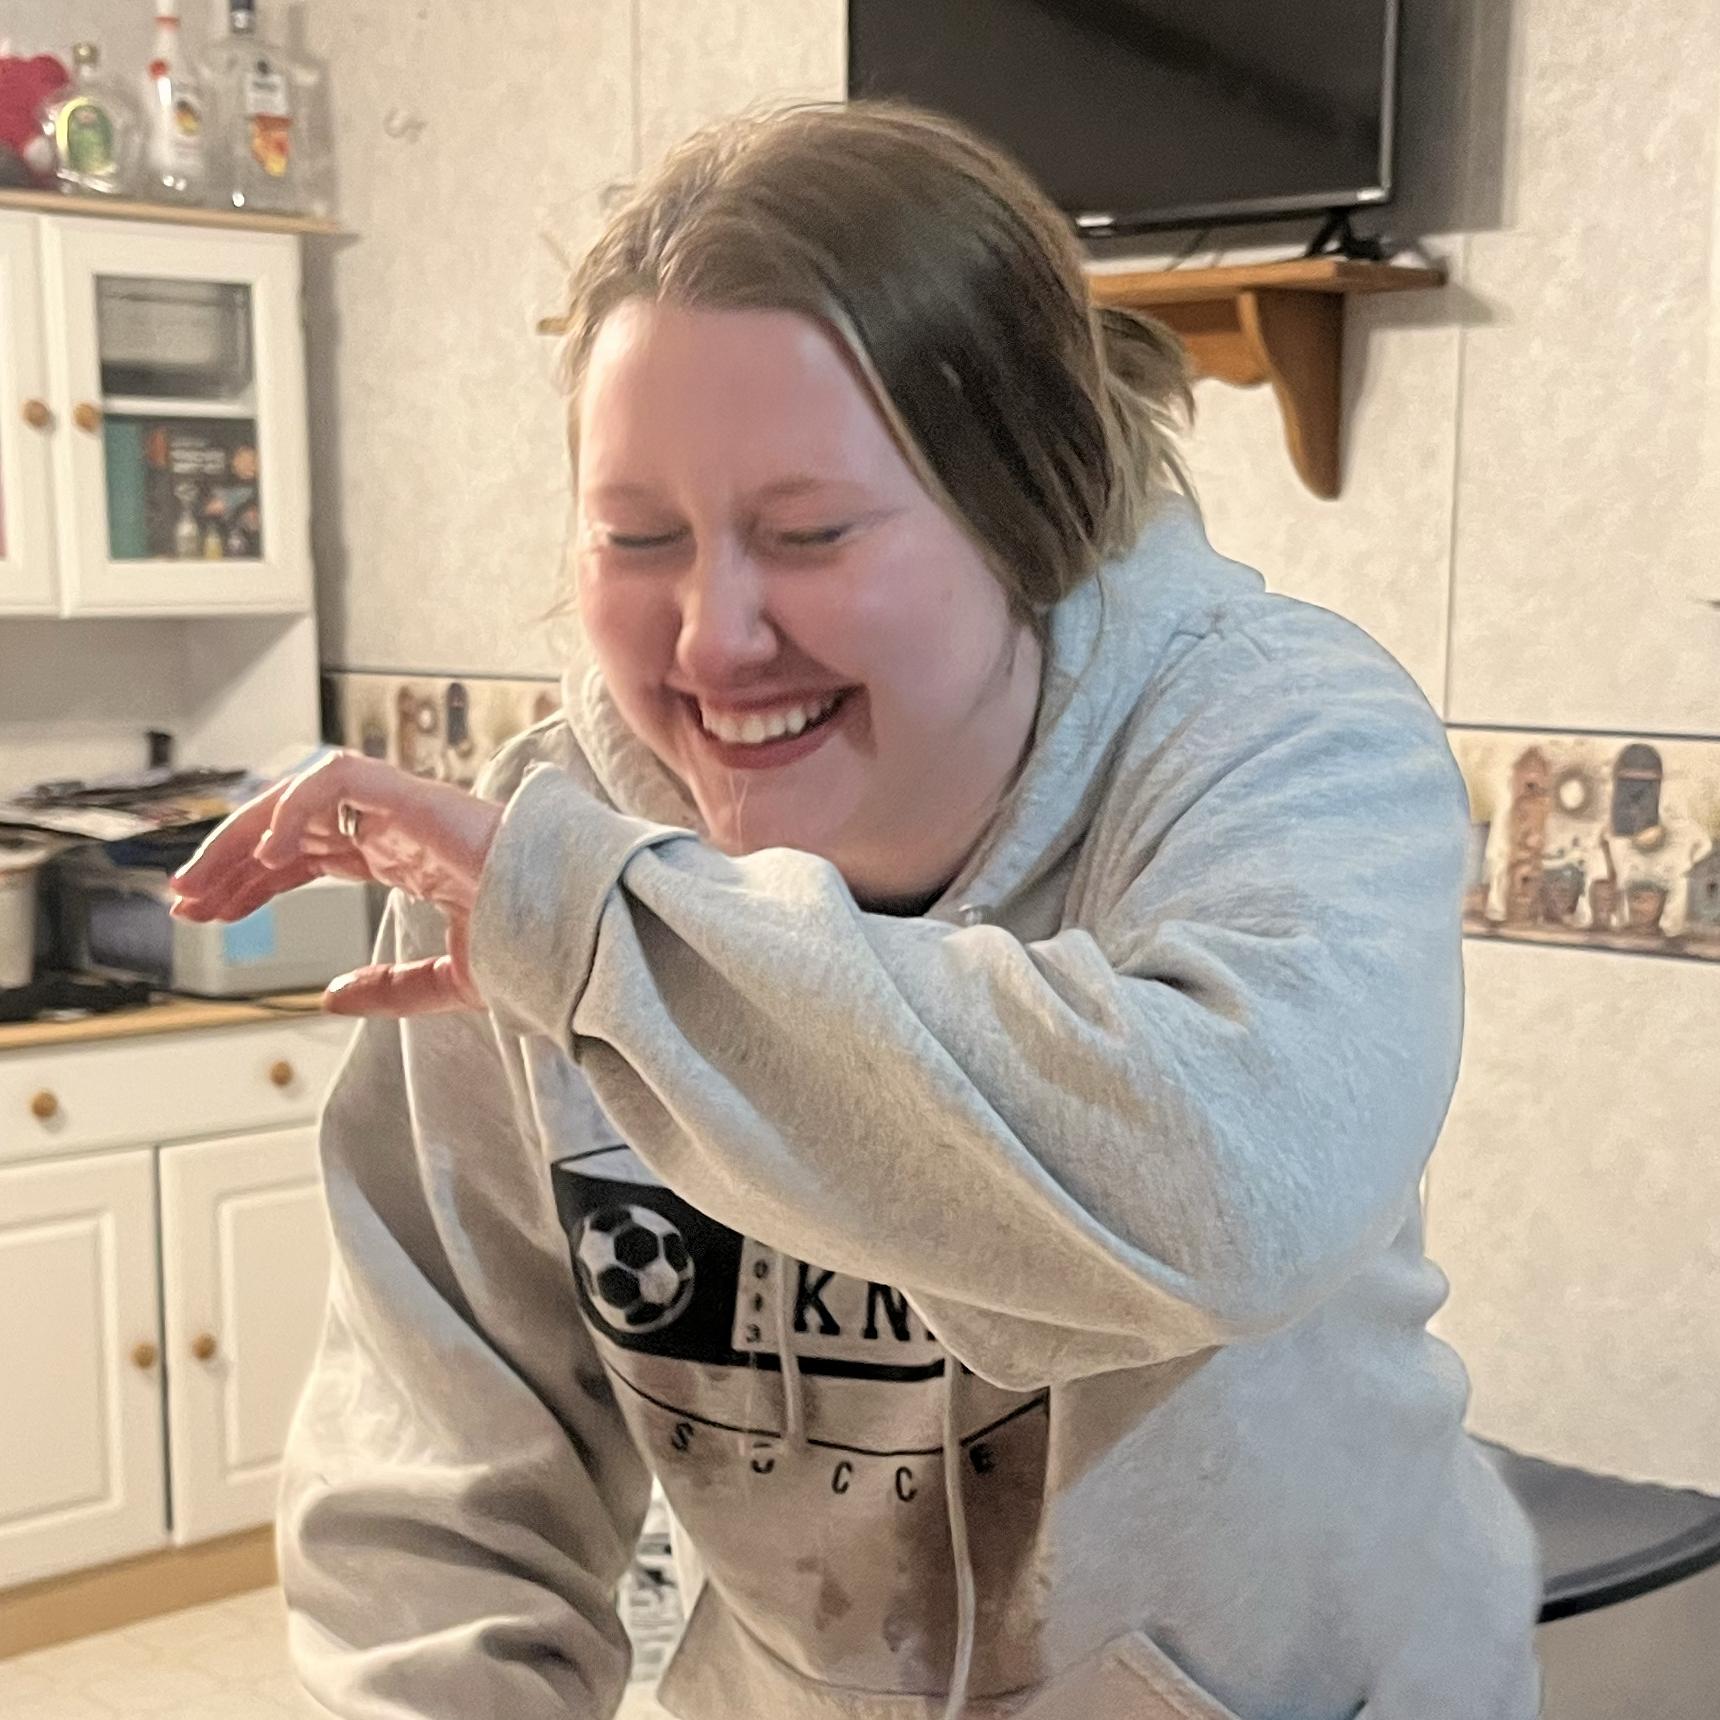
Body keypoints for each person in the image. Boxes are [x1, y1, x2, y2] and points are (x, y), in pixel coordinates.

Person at [170, 100, 1543, 1720]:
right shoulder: (539, 854)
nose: (713, 638)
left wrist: (607, 942)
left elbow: (1226, 1197)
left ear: (1027, 514)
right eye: (639, 538)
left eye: (809, 534)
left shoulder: (1285, 738)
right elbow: (444, 1460)